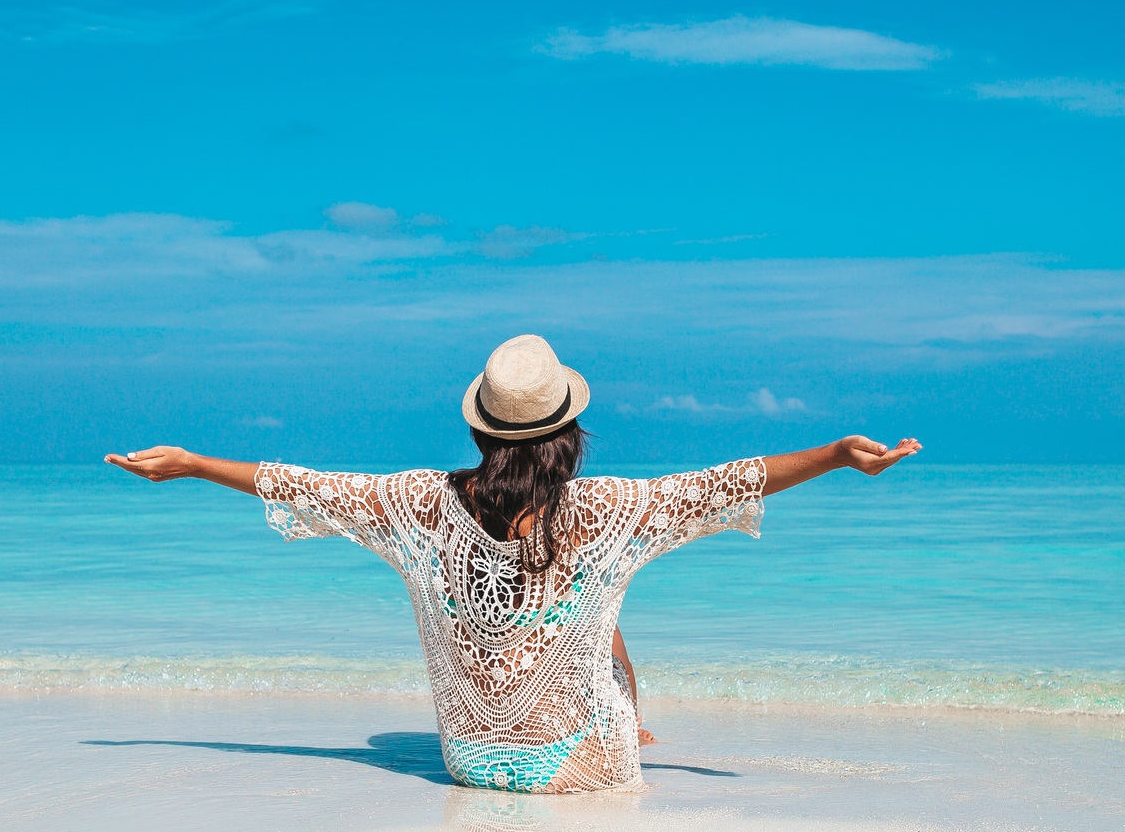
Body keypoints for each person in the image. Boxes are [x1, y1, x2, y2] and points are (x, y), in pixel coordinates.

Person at [106, 335, 920, 794]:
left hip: (468, 761)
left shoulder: (419, 502)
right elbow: (721, 484)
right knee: (603, 606)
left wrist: (193, 462)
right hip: (580, 770)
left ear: (481, 429)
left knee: (591, 601)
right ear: (568, 433)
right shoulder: (604, 510)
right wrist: (839, 456)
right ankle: (628, 723)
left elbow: (305, 484)